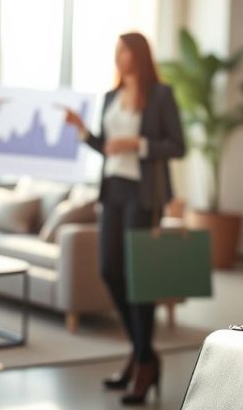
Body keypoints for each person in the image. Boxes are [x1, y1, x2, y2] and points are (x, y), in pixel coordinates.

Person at [62, 31, 185, 406]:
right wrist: (82, 132)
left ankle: (141, 362)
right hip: (113, 189)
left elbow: (177, 145)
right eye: (116, 51)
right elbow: (106, 146)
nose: (118, 57)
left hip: (143, 194)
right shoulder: (110, 97)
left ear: (139, 55)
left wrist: (139, 144)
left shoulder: (161, 96)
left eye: (124, 51)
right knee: (109, 270)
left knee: (139, 279)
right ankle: (142, 353)